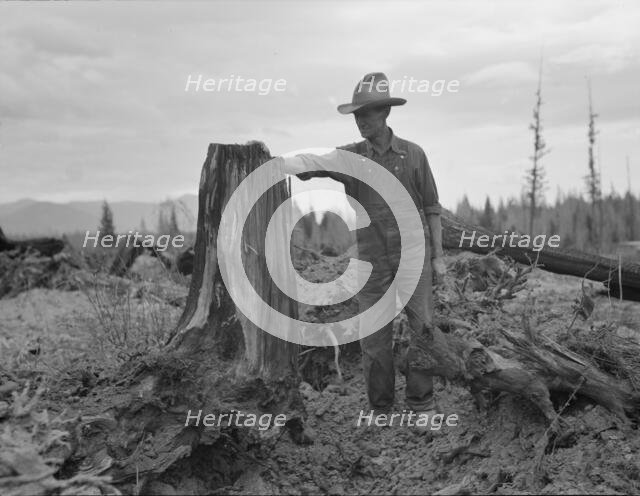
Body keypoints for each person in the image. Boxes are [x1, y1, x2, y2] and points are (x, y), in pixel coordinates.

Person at [284, 72, 446, 415]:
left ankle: (421, 404)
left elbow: (432, 207)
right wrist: (280, 164)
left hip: (415, 256)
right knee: (374, 338)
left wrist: (439, 259)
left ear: (384, 114)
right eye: (356, 116)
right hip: (371, 260)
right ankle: (381, 409)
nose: (360, 122)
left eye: (365, 115)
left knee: (423, 329)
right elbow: (316, 162)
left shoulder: (413, 155)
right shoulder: (352, 158)